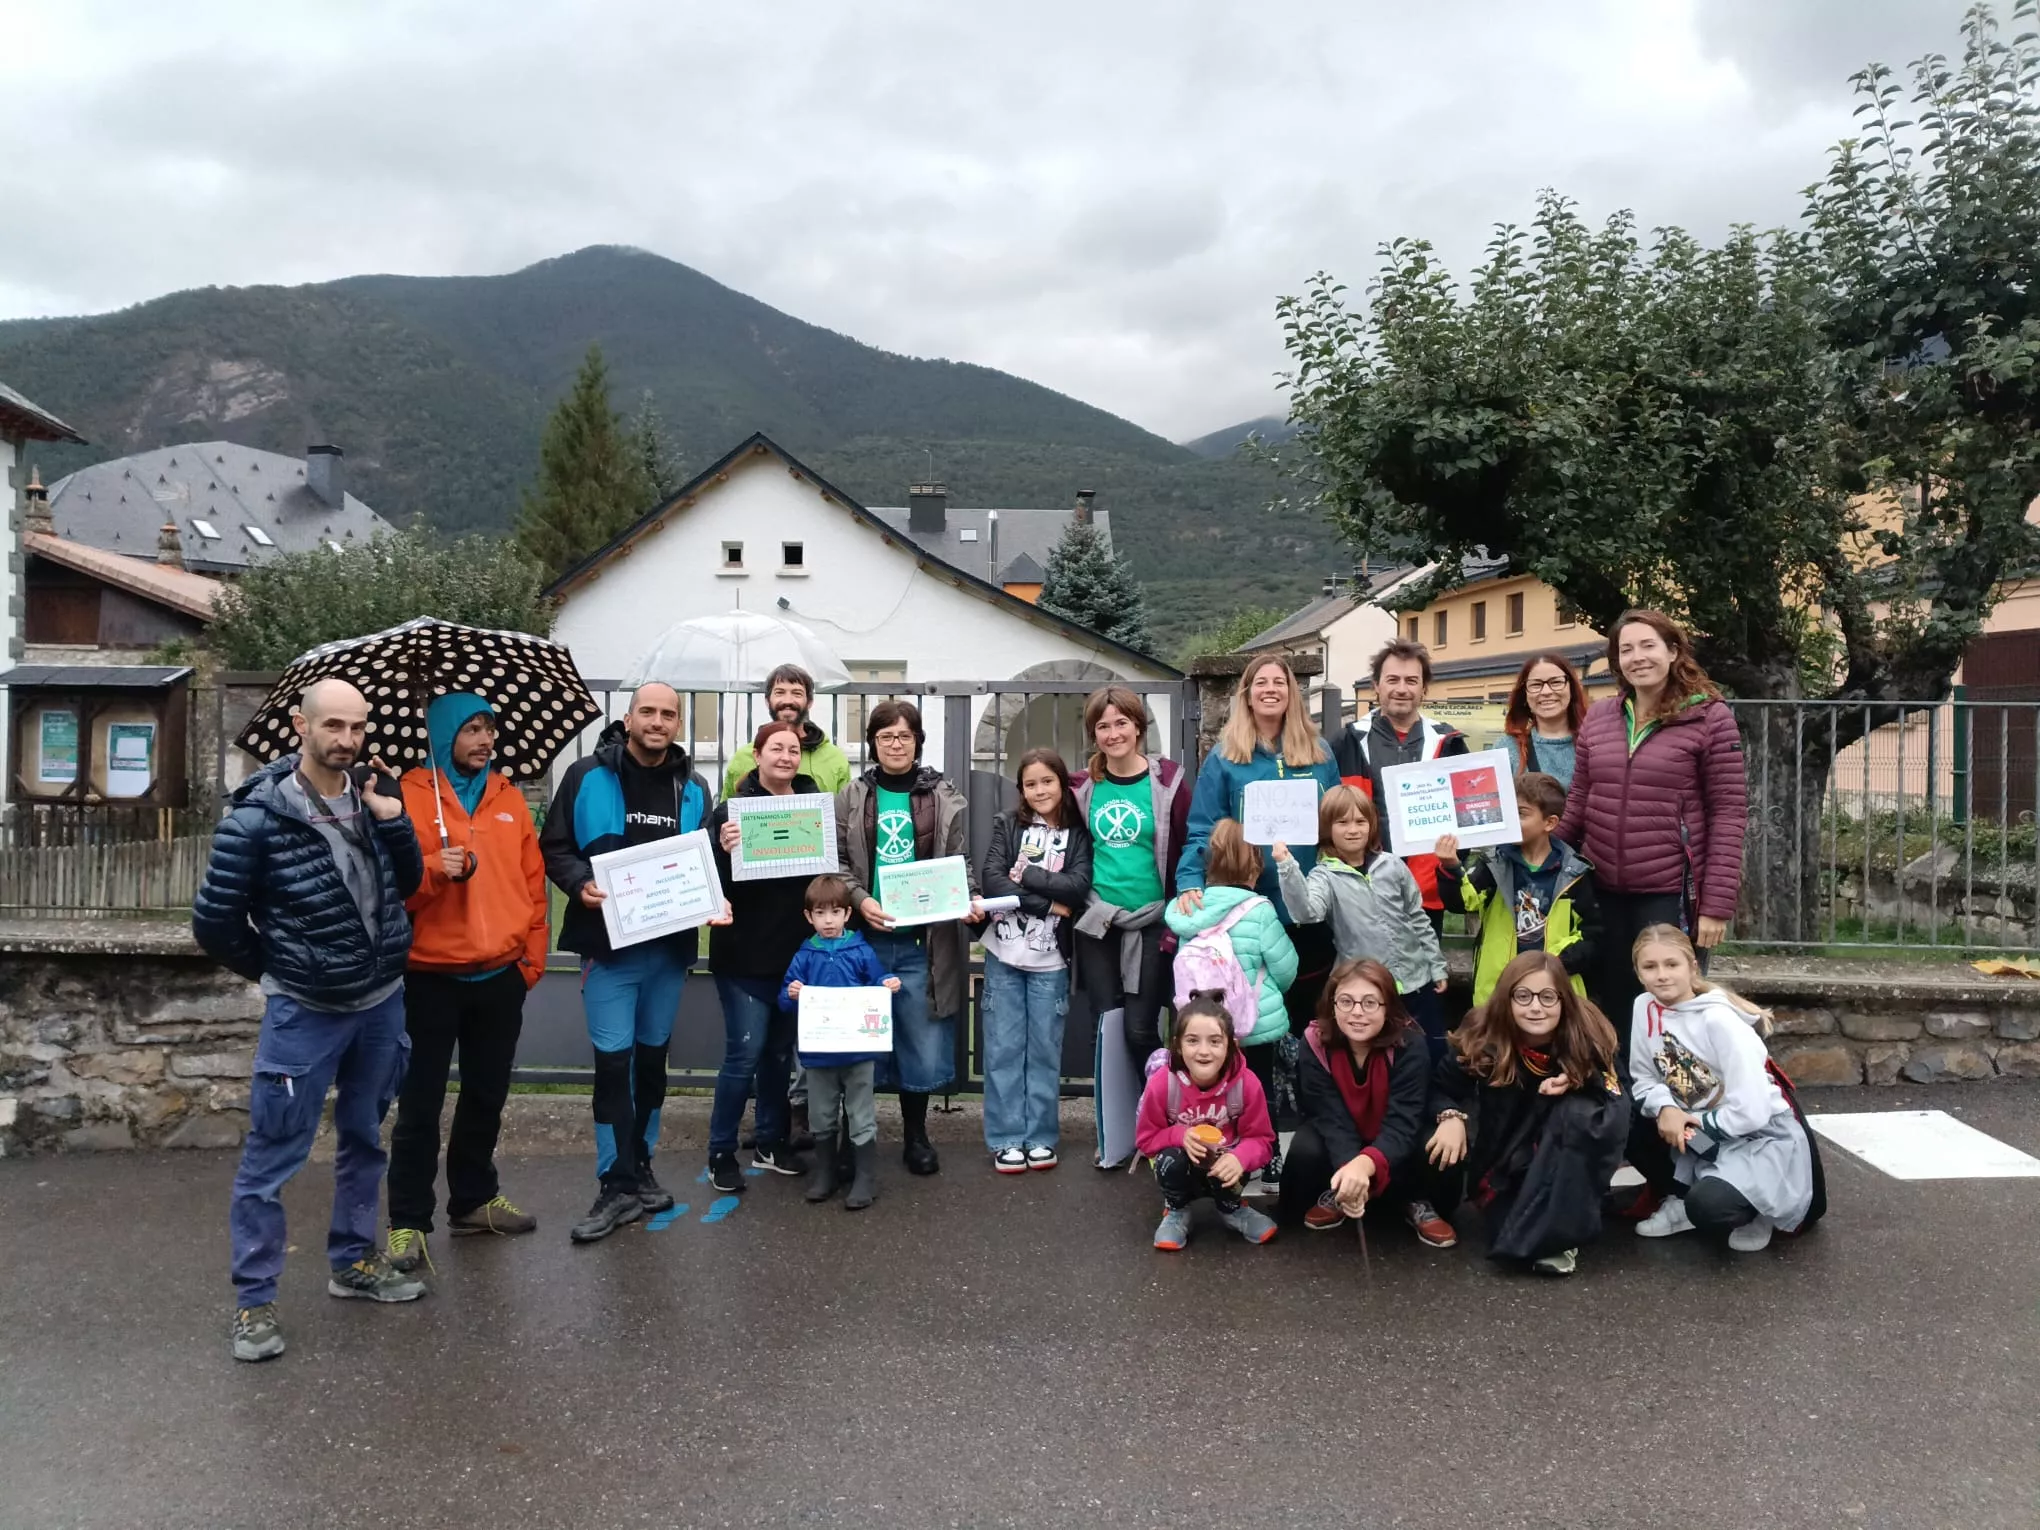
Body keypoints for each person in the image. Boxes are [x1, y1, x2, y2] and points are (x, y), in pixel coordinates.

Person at [194, 679, 427, 1363]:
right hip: (307, 1012)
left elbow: (407, 884)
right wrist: (284, 970)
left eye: (357, 726)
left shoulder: (372, 799)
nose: (348, 739)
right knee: (272, 1159)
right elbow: (214, 924)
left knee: (365, 1138)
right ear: (302, 725)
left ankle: (352, 1263)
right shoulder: (257, 816)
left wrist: (393, 819)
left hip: (381, 1001)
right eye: (333, 726)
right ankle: (254, 1302)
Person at [540, 682, 719, 1244]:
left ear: (677, 723)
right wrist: (579, 882)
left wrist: (718, 879)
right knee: (613, 1066)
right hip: (608, 952)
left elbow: (704, 863)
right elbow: (554, 847)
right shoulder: (586, 776)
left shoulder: (693, 787)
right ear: (629, 716)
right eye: (649, 711)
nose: (658, 721)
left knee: (650, 1066)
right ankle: (613, 1183)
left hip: (667, 954)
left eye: (669, 714)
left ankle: (640, 1168)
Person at [383, 694, 548, 1274]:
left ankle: (474, 1199)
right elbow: (384, 890)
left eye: (489, 729)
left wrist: (529, 961)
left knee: (486, 1097)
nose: (484, 740)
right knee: (420, 1105)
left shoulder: (509, 799)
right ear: (444, 734)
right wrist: (431, 870)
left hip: (500, 976)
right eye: (472, 729)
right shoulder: (405, 796)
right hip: (429, 978)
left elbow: (534, 887)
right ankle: (407, 1222)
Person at [1557, 610, 1748, 1025]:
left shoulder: (1710, 718)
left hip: (1669, 892)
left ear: (1673, 650)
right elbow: (1580, 801)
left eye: (1648, 646)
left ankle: (1671, 1089)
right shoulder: (1601, 717)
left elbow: (1729, 814)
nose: (1637, 657)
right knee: (1610, 998)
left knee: (1668, 1001)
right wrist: (1541, 861)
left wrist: (1716, 906)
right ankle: (1619, 1086)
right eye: (1626, 649)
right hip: (1601, 885)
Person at [836, 699, 984, 1177]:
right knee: (857, 1039)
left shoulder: (944, 795)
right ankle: (854, 1135)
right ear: (873, 744)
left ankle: (916, 1136)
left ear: (917, 740)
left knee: (921, 1040)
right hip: (866, 938)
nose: (895, 744)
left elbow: (958, 860)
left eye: (904, 736)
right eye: (885, 737)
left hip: (923, 940)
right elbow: (837, 863)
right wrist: (860, 900)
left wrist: (968, 898)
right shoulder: (852, 795)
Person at [1424, 951, 1630, 1276]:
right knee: (1511, 1235)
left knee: (1580, 1110)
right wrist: (1450, 1115)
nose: (1536, 1007)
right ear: (1507, 998)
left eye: (1548, 997)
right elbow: (1440, 1087)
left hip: (1564, 1152)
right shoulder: (1483, 1034)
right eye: (1523, 996)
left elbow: (1618, 1092)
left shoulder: (1587, 1032)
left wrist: (1580, 1080)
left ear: (1564, 998)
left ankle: (1573, 1211)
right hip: (1506, 1158)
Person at [1626, 925, 1825, 1251]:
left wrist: (1691, 1124)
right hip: (1695, 1129)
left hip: (1755, 1137)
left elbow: (1754, 1112)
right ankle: (1680, 1197)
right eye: (1650, 967)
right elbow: (1644, 1077)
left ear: (1692, 967)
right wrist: (1667, 1109)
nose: (1661, 975)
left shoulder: (1719, 1021)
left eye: (1671, 964)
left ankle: (1757, 1209)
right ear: (1638, 973)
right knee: (1624, 1117)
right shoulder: (1643, 1007)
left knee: (1710, 1207)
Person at [1071, 686, 1191, 1167]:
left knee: (1142, 1028)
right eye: (1103, 725)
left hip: (1151, 919)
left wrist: (1180, 912)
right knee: (1109, 1028)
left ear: (1139, 727)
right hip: (1100, 920)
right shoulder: (1083, 787)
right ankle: (1118, 1132)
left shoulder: (1168, 782)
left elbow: (1187, 847)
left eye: (1122, 723)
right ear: (1094, 734)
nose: (1113, 733)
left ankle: (1162, 1118)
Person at [706, 721, 820, 1192]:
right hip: (742, 957)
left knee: (777, 1056)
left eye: (794, 750)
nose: (786, 757)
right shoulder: (730, 814)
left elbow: (825, 879)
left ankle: (772, 1143)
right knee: (744, 1055)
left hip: (792, 957)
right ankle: (720, 1152)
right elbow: (708, 882)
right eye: (777, 748)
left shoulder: (812, 809)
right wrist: (721, 848)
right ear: (757, 755)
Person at [1274, 958, 1447, 1250]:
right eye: (1346, 1002)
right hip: (1343, 1134)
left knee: (1432, 1143)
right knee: (1306, 1145)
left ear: (1388, 1007)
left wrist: (1365, 1165)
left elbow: (1403, 1120)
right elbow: (1329, 1115)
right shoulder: (1314, 1043)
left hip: (1394, 1136)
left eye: (1370, 1003)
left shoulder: (1410, 1045)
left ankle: (1413, 1198)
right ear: (1332, 1005)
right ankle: (1340, 1191)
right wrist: (1349, 1168)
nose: (1357, 1013)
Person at [979, 748, 1093, 1173]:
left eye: (1047, 781)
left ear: (1062, 783)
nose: (1039, 790)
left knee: (1044, 1051)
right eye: (1030, 784)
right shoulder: (1007, 824)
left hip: (1052, 962)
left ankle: (1040, 1137)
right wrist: (1047, 905)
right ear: (1021, 790)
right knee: (1004, 1049)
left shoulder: (1079, 832)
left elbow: (1078, 887)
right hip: (1004, 955)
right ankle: (1007, 1139)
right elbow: (992, 879)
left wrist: (1023, 875)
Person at [1273, 786, 1447, 1062]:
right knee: (1380, 1060)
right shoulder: (1324, 875)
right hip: (1366, 992)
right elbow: (1306, 912)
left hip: (1416, 982)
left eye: (1360, 821)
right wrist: (1287, 867)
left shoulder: (1392, 865)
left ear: (1371, 824)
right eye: (1342, 822)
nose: (1352, 829)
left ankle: (1435, 1104)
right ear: (1327, 828)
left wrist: (1436, 966)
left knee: (1432, 1053)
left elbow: (1417, 917)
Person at [1166, 818, 1296, 1139]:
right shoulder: (1261, 911)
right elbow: (1285, 968)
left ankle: (1220, 1149)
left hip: (1208, 1029)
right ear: (1256, 865)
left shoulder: (1190, 911)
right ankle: (1269, 1158)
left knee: (1215, 1091)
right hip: (1257, 1025)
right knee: (1261, 1087)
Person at [1328, 640, 1469, 935]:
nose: (1402, 689)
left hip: (1426, 892)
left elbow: (1468, 816)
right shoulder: (1346, 742)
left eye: (1411, 681)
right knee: (1365, 978)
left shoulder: (1449, 743)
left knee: (1424, 976)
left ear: (1424, 688)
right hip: (1360, 889)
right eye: (1392, 680)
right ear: (1375, 686)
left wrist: (1451, 867)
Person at [780, 874, 901, 1210]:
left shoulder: (860, 950)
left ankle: (865, 1178)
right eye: (820, 914)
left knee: (860, 1114)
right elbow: (785, 998)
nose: (828, 921)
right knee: (821, 1115)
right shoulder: (805, 955)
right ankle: (826, 1174)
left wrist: (886, 984)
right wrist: (791, 995)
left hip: (858, 1052)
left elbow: (876, 981)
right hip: (819, 1055)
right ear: (809, 917)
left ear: (848, 914)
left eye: (835, 913)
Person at [1434, 771, 1601, 1010]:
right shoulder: (1494, 863)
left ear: (1549, 822)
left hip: (1553, 993)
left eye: (1521, 814)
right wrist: (1451, 867)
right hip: (1497, 990)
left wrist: (1555, 963)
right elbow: (1461, 903)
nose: (1511, 820)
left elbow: (1591, 933)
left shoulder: (1574, 872)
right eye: (1507, 813)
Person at [1134, 996, 1279, 1250]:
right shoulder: (1162, 1084)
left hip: (1224, 1161)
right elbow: (1145, 1140)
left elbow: (1263, 1141)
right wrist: (1179, 1135)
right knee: (1171, 1158)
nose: (1203, 1051)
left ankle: (1232, 1208)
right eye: (1192, 1040)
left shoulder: (1247, 1084)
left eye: (1215, 1041)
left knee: (1236, 1155)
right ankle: (1177, 1210)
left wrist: (1241, 1158)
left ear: (1231, 1046)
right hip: (1182, 1164)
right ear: (1177, 1045)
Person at [721, 663, 852, 798]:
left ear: (809, 702)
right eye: (780, 692)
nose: (788, 700)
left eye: (797, 693)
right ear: (767, 701)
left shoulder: (835, 759)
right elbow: (726, 813)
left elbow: (844, 815)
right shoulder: (743, 758)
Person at [1503, 653, 1588, 791]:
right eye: (1536, 685)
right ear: (1524, 694)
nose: (1546, 691)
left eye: (1556, 682)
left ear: (1571, 688)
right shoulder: (1508, 747)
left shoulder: (1596, 744)